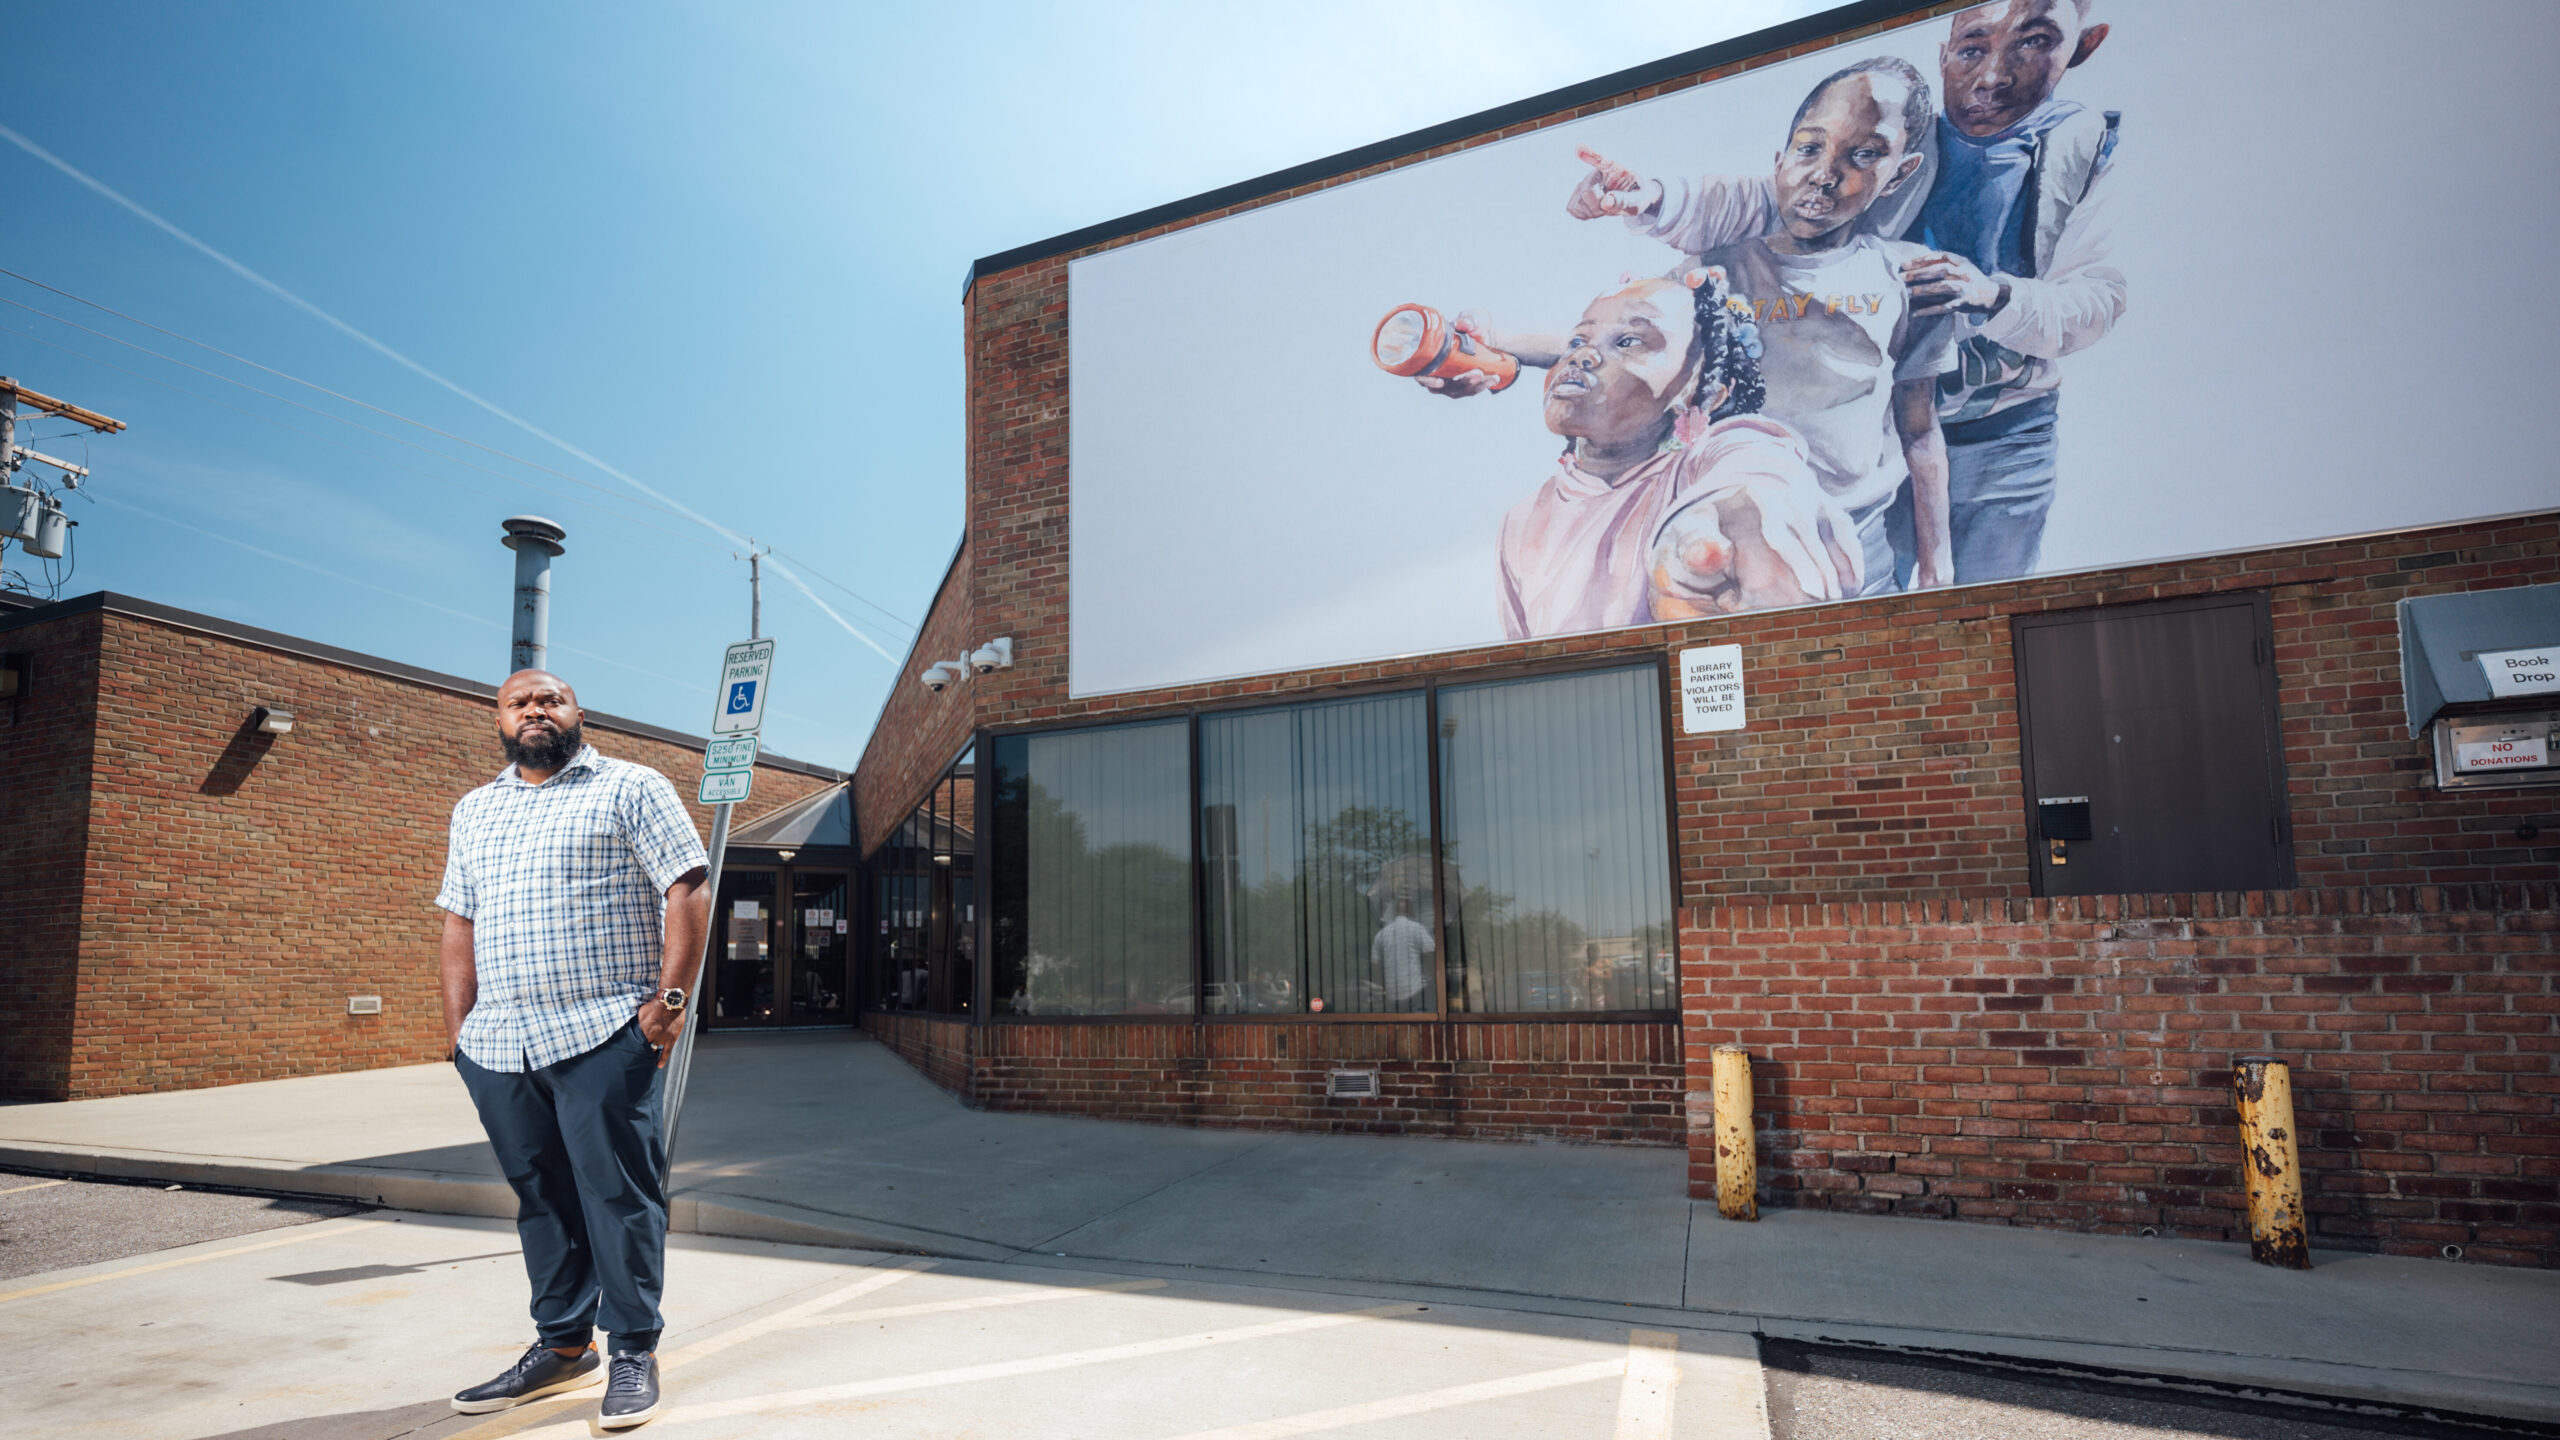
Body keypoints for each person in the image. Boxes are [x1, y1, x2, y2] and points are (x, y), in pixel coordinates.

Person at [1571, 0, 2121, 583]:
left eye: (2034, 43)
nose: (1992, 76)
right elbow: (1764, 196)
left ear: (2082, 47)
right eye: (1972, 48)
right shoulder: (1889, 126)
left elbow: (2099, 298)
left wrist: (1993, 296)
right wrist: (1652, 198)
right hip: (1870, 439)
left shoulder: (2084, 149)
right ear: (1945, 52)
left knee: (1982, 606)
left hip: (2000, 428)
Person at [1452, 60, 1956, 599]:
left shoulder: (1910, 277)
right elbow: (1620, 348)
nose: (1825, 174)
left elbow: (1920, 429)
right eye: (1810, 149)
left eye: (1865, 155)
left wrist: (1936, 567)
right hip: (1726, 539)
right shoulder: (1714, 269)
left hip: (1860, 545)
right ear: (1779, 160)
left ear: (1899, 173)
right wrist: (1495, 345)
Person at [437, 669, 710, 1430]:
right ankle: (562, 1346)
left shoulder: (632, 786)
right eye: (519, 702)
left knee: (617, 1195)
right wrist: (459, 1031)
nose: (534, 711)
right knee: (541, 1199)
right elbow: (459, 920)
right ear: (498, 719)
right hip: (499, 1042)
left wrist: (670, 1004)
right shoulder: (475, 810)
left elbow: (686, 887)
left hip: (603, 1029)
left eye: (549, 700)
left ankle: (631, 1350)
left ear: (576, 713)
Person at [1492, 267, 1864, 639]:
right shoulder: (1521, 520)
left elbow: (1761, 474)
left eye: (1628, 342)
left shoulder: (1705, 465)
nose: (1584, 356)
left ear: (1704, 391)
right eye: (1576, 342)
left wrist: (1735, 519)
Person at [1371, 894, 1437, 1011]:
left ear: (1396, 912)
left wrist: (1382, 986)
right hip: (1415, 990)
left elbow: (1375, 963)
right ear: (1410, 911)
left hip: (1391, 993)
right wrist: (1433, 979)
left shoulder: (1381, 934)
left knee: (1395, 1027)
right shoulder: (1417, 929)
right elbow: (1430, 953)